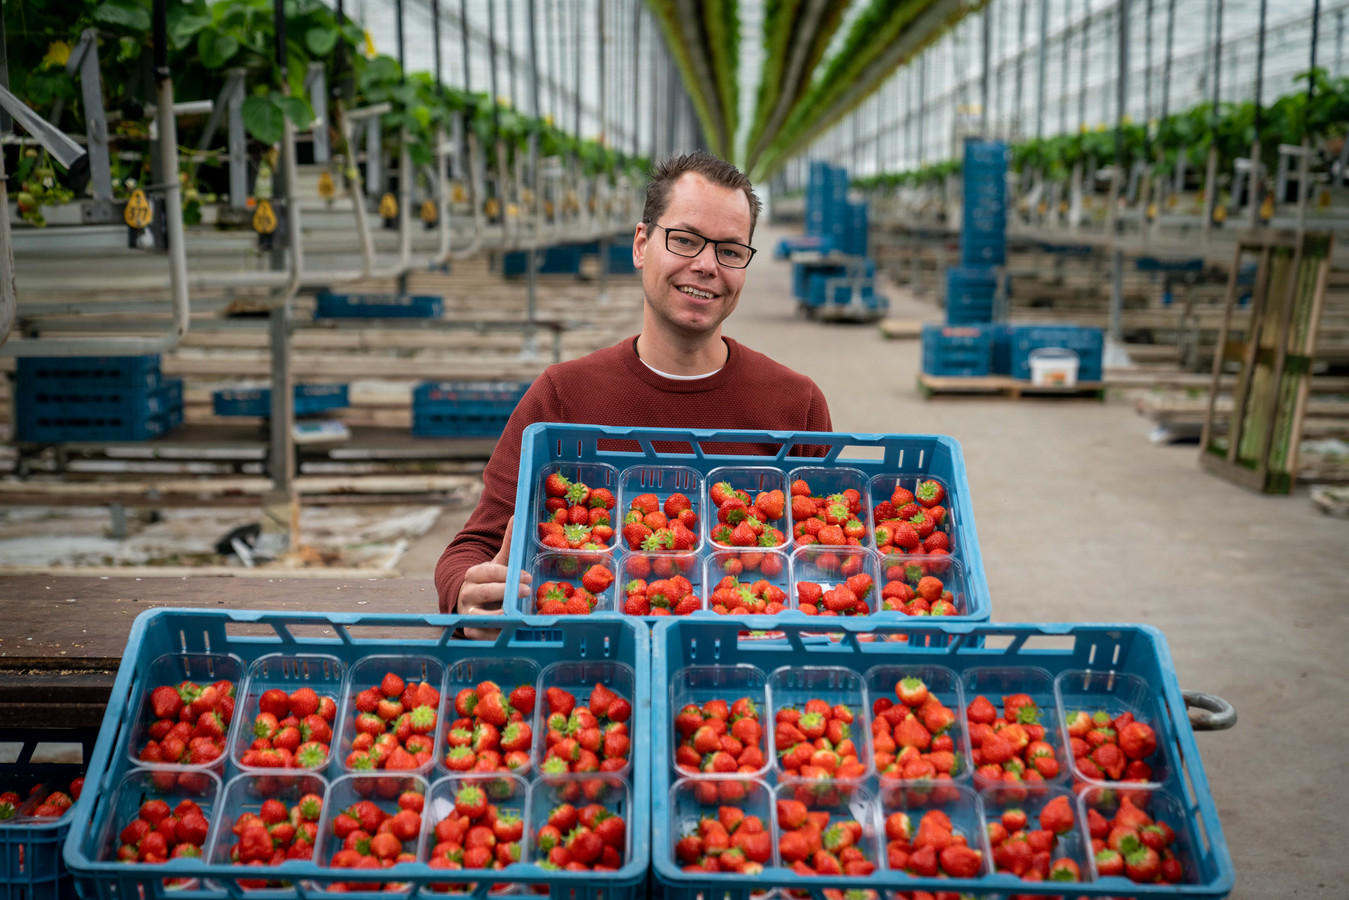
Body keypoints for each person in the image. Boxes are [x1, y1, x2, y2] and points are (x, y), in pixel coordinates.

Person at [436, 150, 833, 620]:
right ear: (642, 244)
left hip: (743, 662)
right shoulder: (563, 395)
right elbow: (475, 546)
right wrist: (466, 592)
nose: (707, 265)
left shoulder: (795, 403)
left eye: (729, 250)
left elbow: (828, 553)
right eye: (685, 240)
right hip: (590, 658)